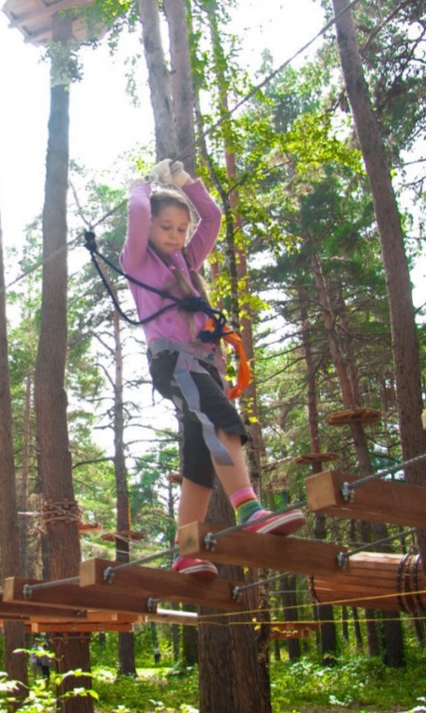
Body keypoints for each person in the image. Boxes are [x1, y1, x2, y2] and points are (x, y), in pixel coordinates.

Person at [121, 159, 305, 578]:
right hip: (176, 361)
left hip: (203, 363)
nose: (175, 235)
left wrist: (182, 180)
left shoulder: (186, 261)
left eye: (181, 229)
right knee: (223, 420)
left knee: (199, 460)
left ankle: (185, 550)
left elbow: (214, 217)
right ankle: (248, 508)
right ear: (150, 226)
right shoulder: (138, 260)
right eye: (166, 226)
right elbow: (136, 215)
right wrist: (141, 186)